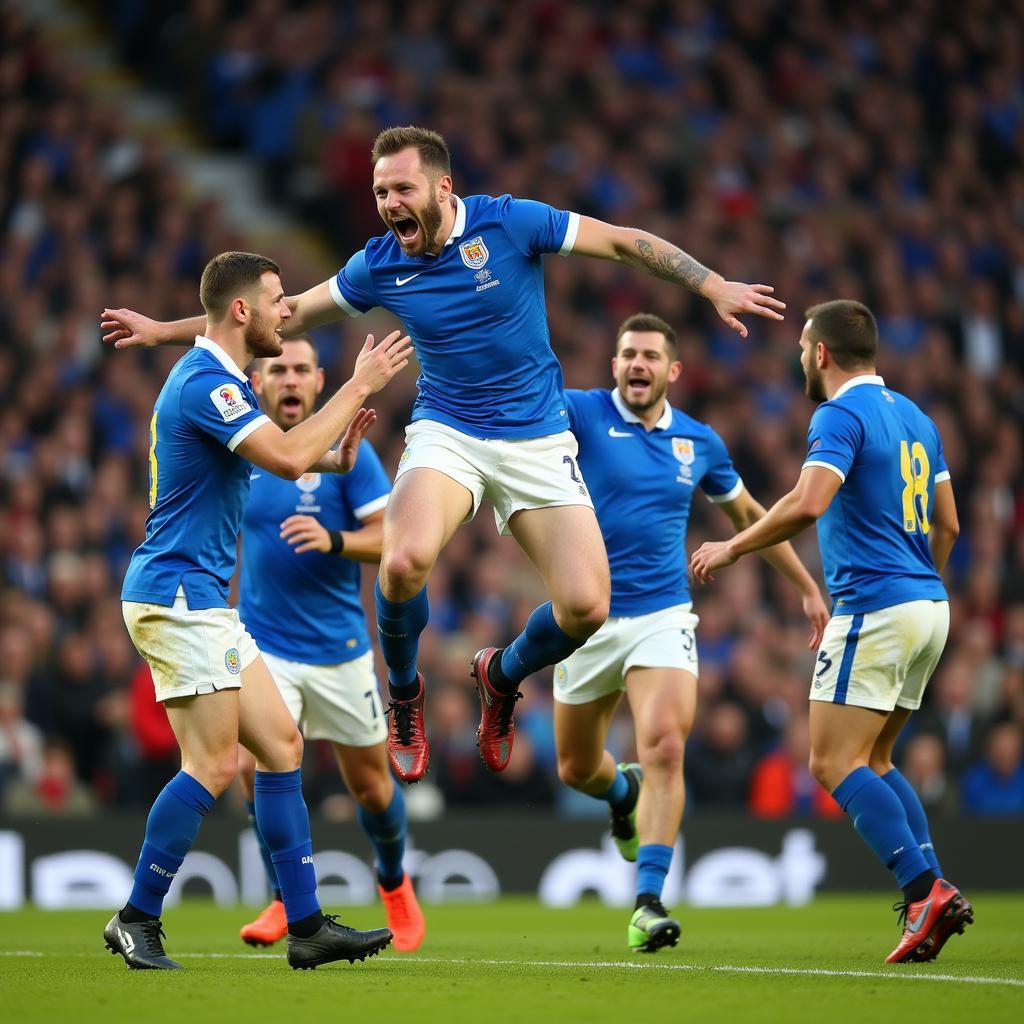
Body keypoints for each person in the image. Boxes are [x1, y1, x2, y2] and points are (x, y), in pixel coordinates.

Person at [100, 125, 786, 785]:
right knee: (400, 562)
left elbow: (624, 243)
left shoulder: (511, 223)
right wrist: (165, 331)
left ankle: (502, 676)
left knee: (586, 609)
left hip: (537, 436)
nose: (390, 203)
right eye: (380, 192)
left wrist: (711, 283)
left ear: (443, 187)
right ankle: (404, 696)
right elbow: (276, 316)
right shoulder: (380, 263)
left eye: (402, 188)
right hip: (447, 429)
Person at [105, 251, 411, 971]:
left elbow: (270, 454)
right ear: (243, 312)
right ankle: (136, 917)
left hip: (202, 599)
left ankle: (305, 927)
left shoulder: (221, 379)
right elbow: (278, 458)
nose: (287, 312)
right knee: (211, 765)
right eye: (277, 301)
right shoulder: (208, 384)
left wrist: (335, 463)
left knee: (281, 747)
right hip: (178, 596)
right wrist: (358, 385)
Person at [690, 299, 972, 965]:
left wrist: (732, 549)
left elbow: (808, 501)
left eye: (801, 348)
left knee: (829, 762)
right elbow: (951, 525)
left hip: (876, 604)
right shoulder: (918, 418)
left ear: (820, 351)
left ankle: (922, 887)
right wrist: (921, 582)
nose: (798, 359)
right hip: (930, 603)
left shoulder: (839, 414)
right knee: (874, 760)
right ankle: (929, 895)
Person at [553, 313, 829, 952]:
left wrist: (804, 585)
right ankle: (622, 792)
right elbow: (512, 411)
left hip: (662, 615)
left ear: (673, 370)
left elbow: (750, 515)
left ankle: (648, 902)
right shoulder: (580, 413)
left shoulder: (699, 442)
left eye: (650, 355)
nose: (638, 364)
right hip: (587, 615)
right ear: (615, 364)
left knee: (667, 746)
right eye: (628, 354)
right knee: (575, 767)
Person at [235, 335, 424, 951]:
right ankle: (286, 899)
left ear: (319, 381)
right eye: (277, 369)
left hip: (339, 649)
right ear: (258, 383)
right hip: (266, 648)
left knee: (371, 787)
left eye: (300, 370)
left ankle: (394, 884)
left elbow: (391, 539)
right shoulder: (246, 451)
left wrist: (335, 539)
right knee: (251, 766)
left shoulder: (349, 454)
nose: (289, 379)